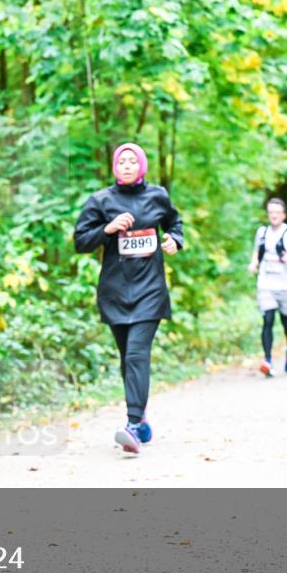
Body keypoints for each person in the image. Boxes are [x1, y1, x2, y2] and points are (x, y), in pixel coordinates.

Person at [74, 143, 183, 455]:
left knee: (137, 355)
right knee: (127, 358)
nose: (125, 165)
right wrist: (107, 229)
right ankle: (143, 420)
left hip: (150, 290)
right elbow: (80, 241)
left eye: (132, 160)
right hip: (115, 292)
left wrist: (174, 239)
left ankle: (133, 424)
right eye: (120, 160)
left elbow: (175, 223)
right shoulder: (101, 200)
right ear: (114, 166)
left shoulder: (157, 196)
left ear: (142, 166)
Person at [247, 198, 287, 377]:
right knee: (267, 319)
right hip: (266, 282)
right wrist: (253, 264)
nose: (274, 215)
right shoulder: (261, 232)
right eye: (271, 212)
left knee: (286, 321)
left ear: (283, 214)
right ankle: (267, 361)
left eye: (277, 212)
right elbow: (256, 251)